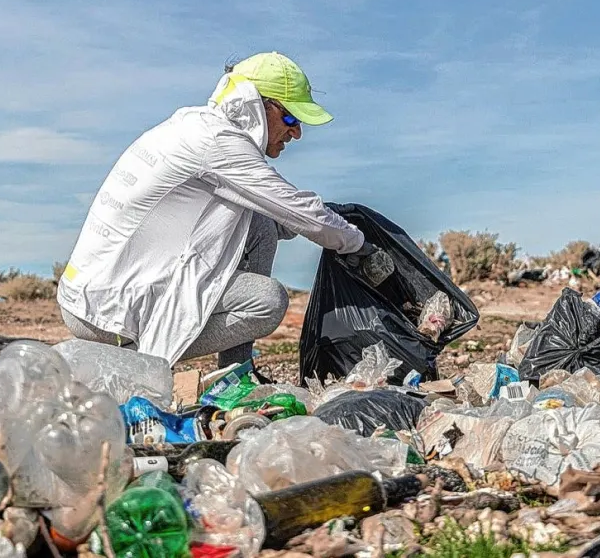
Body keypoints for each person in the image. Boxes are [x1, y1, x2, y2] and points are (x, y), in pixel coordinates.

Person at [57, 52, 377, 369]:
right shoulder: (218, 143)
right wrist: (359, 245)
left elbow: (282, 218)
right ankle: (129, 363)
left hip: (97, 293)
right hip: (103, 312)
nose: (296, 132)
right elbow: (298, 210)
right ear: (256, 105)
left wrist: (328, 222)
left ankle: (236, 374)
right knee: (265, 302)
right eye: (291, 118)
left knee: (261, 226)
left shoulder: (193, 126)